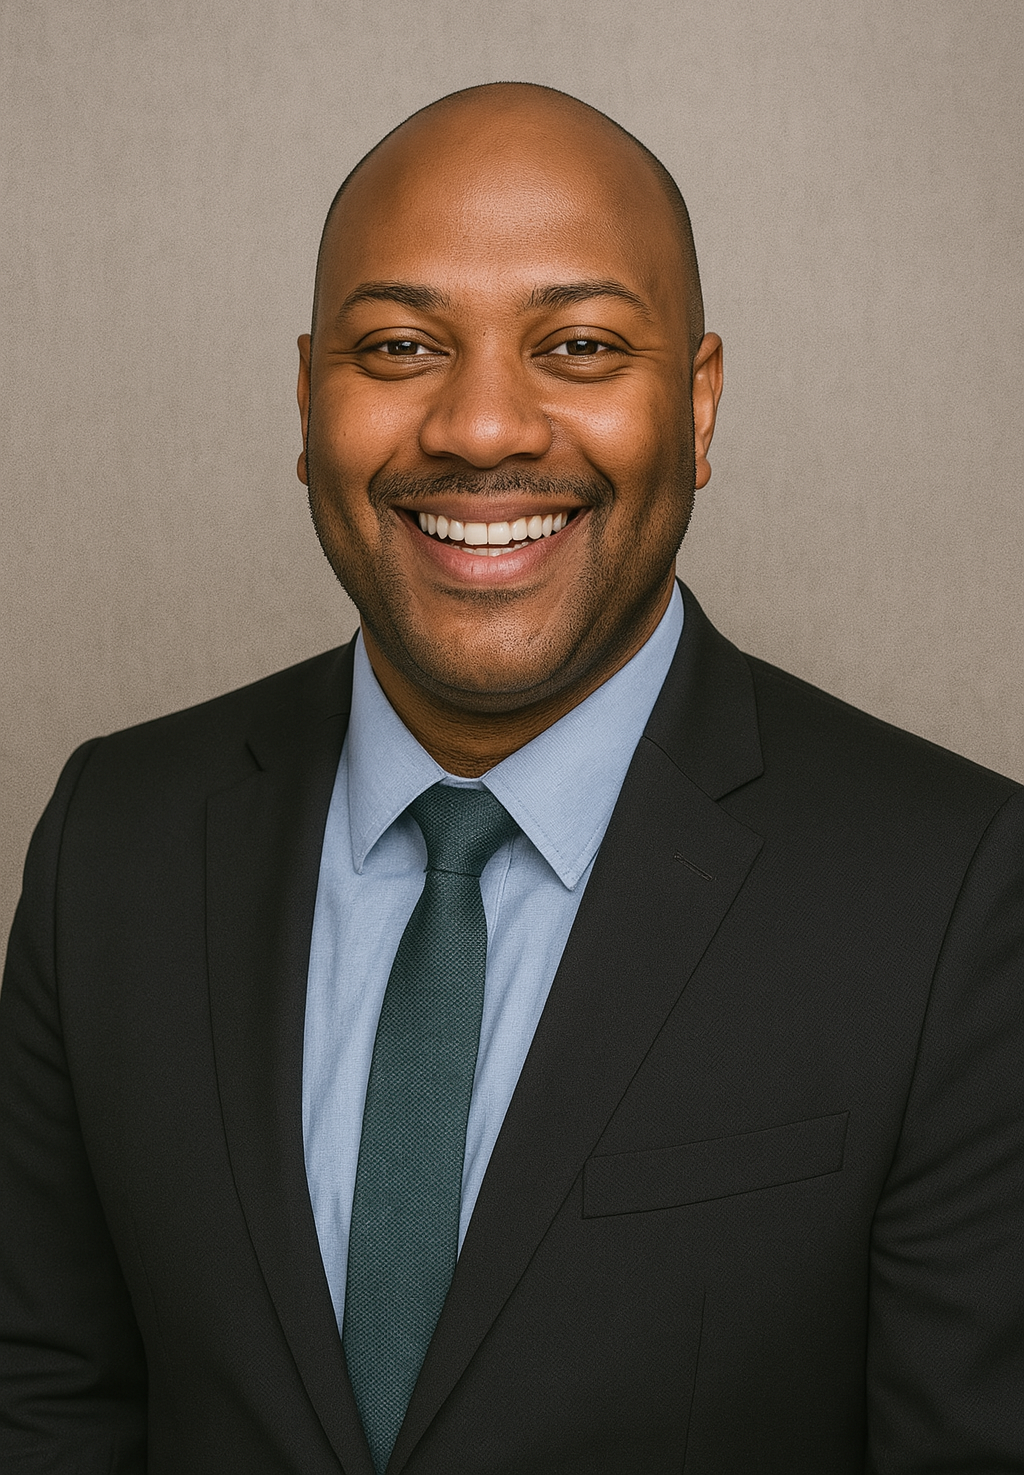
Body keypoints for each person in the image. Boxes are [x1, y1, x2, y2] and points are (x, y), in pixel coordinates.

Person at [1, 82, 1022, 1475]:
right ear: (307, 401)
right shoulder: (113, 838)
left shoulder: (952, 892)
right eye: (400, 345)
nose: (482, 428)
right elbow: (46, 1402)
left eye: (580, 345)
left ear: (698, 404)